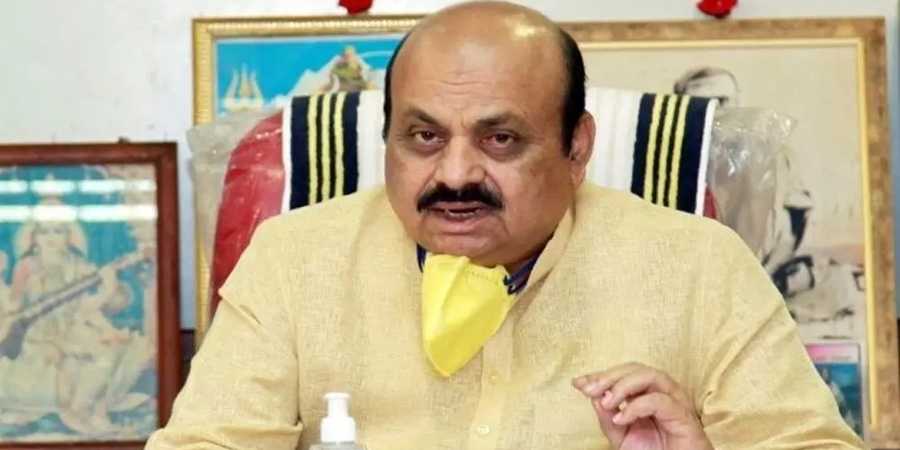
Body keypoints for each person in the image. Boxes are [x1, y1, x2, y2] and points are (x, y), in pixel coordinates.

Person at [148, 2, 862, 449]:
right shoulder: (294, 261)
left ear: (576, 147)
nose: (455, 174)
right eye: (423, 137)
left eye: (500, 140)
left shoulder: (698, 265)